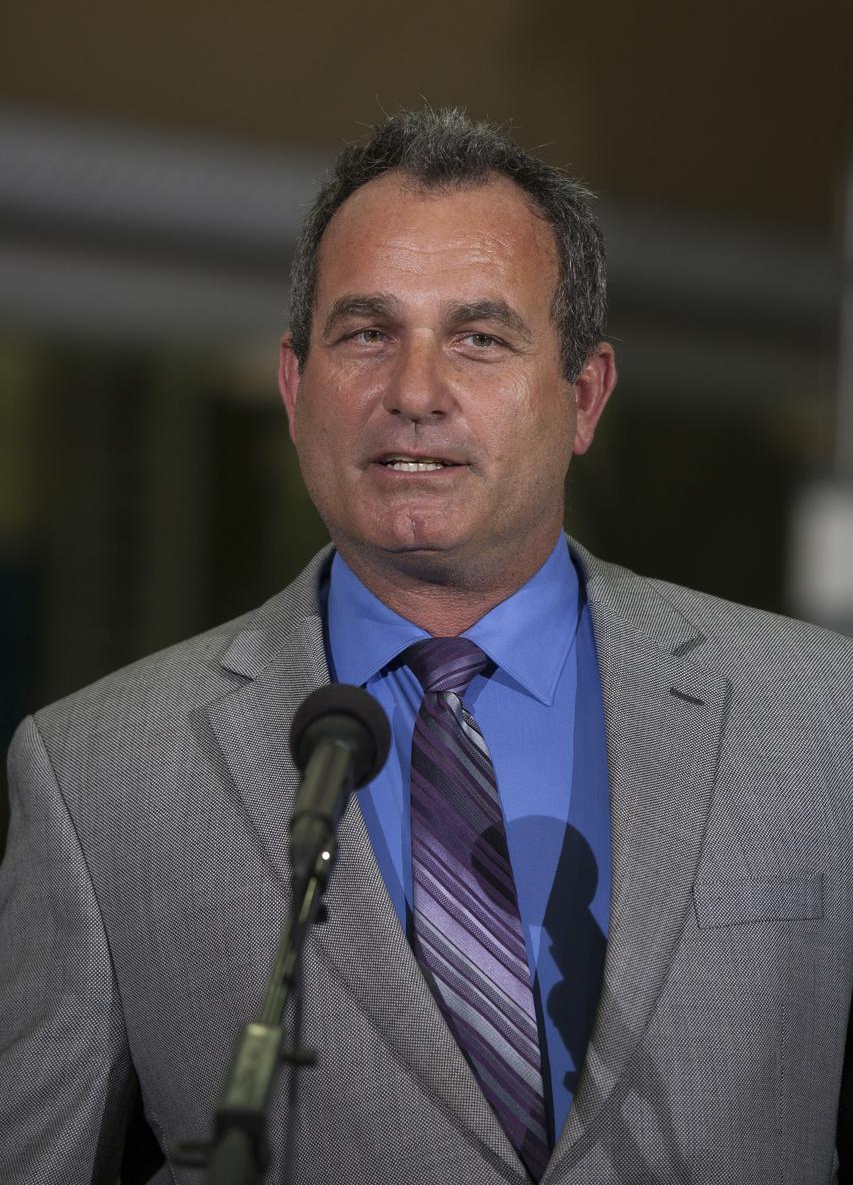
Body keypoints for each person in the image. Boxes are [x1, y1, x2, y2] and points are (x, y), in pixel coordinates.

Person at [1, 108, 851, 1185]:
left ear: (582, 395)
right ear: (294, 384)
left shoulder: (825, 715)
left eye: (479, 337)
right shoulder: (94, 774)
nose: (413, 391)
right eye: (365, 333)